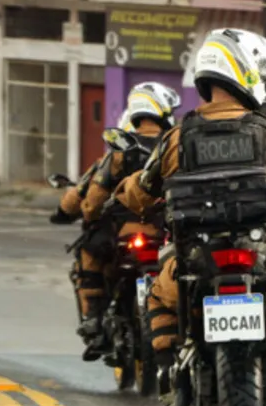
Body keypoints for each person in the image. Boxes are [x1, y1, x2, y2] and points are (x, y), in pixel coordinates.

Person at [116, 28, 266, 406]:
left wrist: (123, 191)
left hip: (194, 260)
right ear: (245, 72)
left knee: (156, 296)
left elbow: (139, 194)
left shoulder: (177, 138)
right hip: (264, 255)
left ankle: (173, 384)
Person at [50, 82, 182, 361]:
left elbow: (92, 201)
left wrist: (91, 215)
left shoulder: (120, 152)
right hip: (166, 233)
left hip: (124, 234)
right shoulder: (174, 145)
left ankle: (94, 323)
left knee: (89, 254)